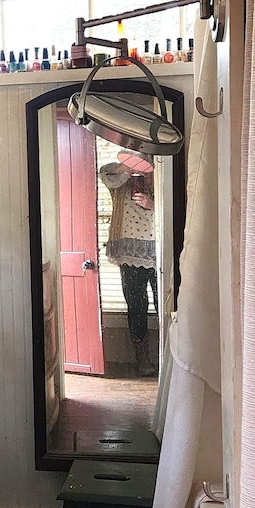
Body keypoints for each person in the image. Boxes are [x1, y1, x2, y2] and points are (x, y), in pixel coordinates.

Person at [98, 152, 157, 376]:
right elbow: (105, 173)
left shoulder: (162, 176)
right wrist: (129, 167)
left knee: (166, 305)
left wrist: (152, 203)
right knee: (136, 306)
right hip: (129, 253)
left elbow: (175, 206)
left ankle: (169, 359)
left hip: (157, 250)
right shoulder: (121, 180)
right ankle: (143, 360)